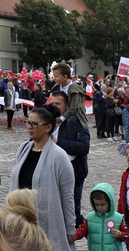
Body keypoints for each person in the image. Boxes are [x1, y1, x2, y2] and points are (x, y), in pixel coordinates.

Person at [9, 106, 79, 251]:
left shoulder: (59, 156)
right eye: (28, 122)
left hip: (44, 219)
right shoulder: (24, 148)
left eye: (34, 124)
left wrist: (70, 226)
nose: (29, 127)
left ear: (48, 127)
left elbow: (68, 195)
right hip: (21, 218)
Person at [50, 91, 90, 228]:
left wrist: (58, 143)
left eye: (58, 104)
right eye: (52, 103)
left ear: (67, 106)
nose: (54, 106)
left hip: (74, 172)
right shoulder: (48, 121)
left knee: (72, 211)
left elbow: (84, 147)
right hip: (53, 172)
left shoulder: (75, 121)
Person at [51, 63, 88, 130]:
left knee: (71, 120)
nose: (54, 79)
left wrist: (61, 118)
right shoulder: (56, 87)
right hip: (60, 113)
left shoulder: (75, 89)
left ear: (65, 77)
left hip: (75, 116)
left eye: (56, 76)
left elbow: (74, 108)